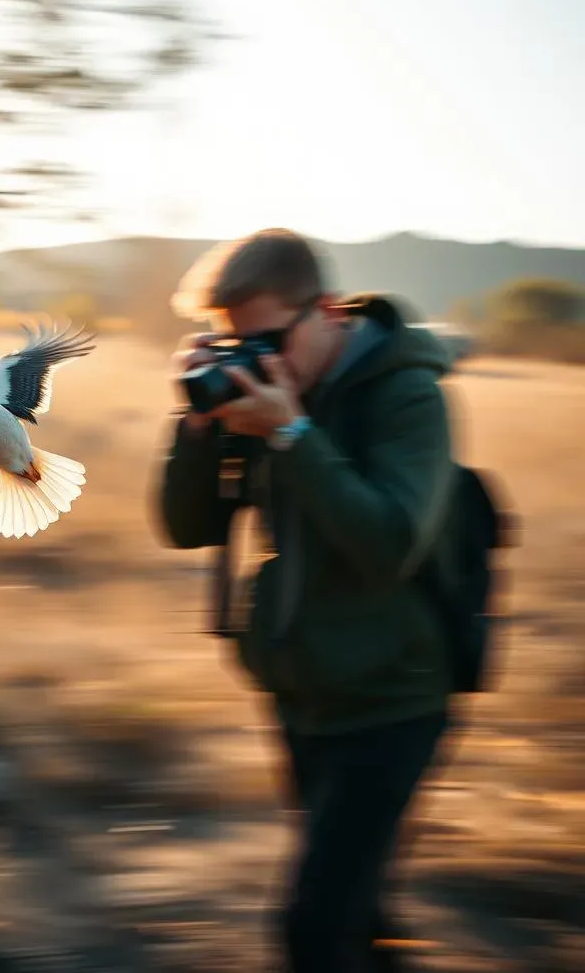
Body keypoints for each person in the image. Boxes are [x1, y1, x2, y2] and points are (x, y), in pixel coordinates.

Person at [153, 228, 456, 972]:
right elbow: (185, 527)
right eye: (234, 346)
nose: (255, 362)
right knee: (356, 911)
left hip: (393, 701)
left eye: (267, 341)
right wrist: (196, 429)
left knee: (312, 930)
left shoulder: (408, 393)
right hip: (303, 693)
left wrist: (293, 434)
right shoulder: (266, 387)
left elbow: (390, 542)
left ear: (324, 310)